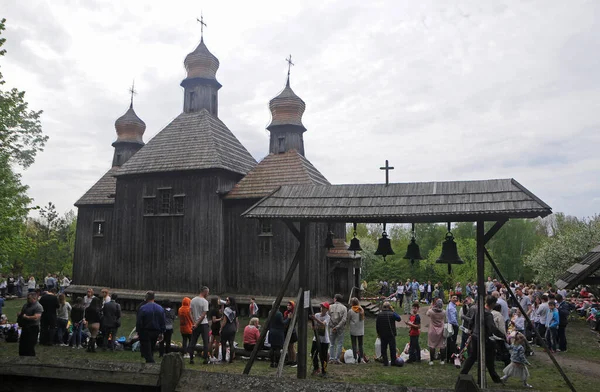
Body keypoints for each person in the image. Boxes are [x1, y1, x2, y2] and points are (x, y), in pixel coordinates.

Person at [460, 295, 505, 384]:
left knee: (472, 356)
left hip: (475, 336)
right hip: (484, 338)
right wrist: (503, 336)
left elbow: (471, 321)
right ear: (492, 304)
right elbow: (492, 328)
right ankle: (495, 378)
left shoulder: (478, 311)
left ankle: (463, 373)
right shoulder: (488, 314)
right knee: (489, 359)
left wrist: (470, 330)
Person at [136, 291, 166, 363]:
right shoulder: (160, 308)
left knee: (146, 350)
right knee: (151, 348)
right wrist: (162, 332)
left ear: (146, 298)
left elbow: (139, 321)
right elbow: (162, 321)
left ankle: (151, 363)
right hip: (156, 331)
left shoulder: (143, 308)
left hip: (145, 331)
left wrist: (138, 331)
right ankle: (149, 364)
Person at [189, 286, 210, 365]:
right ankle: (205, 358)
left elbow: (190, 312)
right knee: (205, 342)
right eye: (207, 292)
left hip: (195, 324)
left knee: (193, 341)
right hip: (203, 324)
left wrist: (194, 322)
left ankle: (191, 357)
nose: (208, 294)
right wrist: (197, 323)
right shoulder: (205, 301)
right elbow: (203, 314)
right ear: (204, 292)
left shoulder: (193, 300)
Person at [310, 302, 330, 376]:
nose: (322, 309)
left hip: (324, 339)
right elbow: (314, 325)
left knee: (323, 356)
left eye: (324, 307)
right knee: (313, 353)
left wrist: (315, 319)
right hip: (316, 337)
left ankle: (324, 370)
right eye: (321, 307)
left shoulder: (327, 317)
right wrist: (313, 327)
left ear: (327, 309)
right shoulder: (317, 315)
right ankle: (316, 368)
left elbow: (323, 324)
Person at [426, 299, 446, 365]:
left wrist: (431, 306)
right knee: (442, 346)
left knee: (432, 345)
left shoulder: (431, 311)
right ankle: (442, 360)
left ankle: (431, 360)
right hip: (441, 330)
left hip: (432, 330)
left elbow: (427, 313)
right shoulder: (443, 312)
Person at [328, 293, 347, 364]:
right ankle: (337, 359)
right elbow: (344, 319)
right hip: (340, 328)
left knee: (332, 343)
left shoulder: (330, 307)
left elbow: (328, 317)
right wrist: (338, 327)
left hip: (332, 328)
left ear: (335, 299)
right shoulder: (344, 308)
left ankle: (331, 358)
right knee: (339, 343)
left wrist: (333, 326)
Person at [220, 296, 239, 363]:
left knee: (224, 344)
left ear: (231, 301)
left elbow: (224, 321)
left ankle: (223, 359)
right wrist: (236, 328)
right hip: (233, 327)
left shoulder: (227, 309)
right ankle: (231, 359)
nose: (226, 301)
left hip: (227, 328)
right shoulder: (235, 309)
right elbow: (236, 320)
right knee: (231, 344)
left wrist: (221, 328)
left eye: (227, 300)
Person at [347, 297, 365, 363]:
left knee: (354, 344)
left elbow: (348, 319)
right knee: (361, 344)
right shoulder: (361, 309)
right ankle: (362, 358)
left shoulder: (350, 311)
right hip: (360, 329)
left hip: (353, 329)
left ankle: (355, 358)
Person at [268, 302, 285, 368]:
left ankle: (272, 362)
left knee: (272, 347)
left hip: (272, 331)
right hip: (278, 332)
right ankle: (277, 363)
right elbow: (282, 323)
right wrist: (288, 319)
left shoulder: (270, 312)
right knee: (278, 348)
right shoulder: (279, 313)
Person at [283, 300, 298, 366]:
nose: (288, 306)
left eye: (290, 305)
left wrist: (289, 319)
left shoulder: (293, 313)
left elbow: (292, 323)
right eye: (288, 305)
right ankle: (290, 360)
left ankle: (294, 361)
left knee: (292, 347)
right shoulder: (286, 313)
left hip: (292, 332)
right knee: (288, 347)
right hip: (286, 331)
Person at [208, 296, 223, 362]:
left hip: (214, 326)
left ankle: (211, 355)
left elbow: (220, 312)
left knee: (212, 341)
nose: (219, 301)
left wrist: (222, 305)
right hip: (216, 326)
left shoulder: (214, 309)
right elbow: (214, 320)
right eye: (218, 300)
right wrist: (220, 319)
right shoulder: (214, 310)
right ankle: (214, 355)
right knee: (216, 341)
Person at [446, 295, 459, 362]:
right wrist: (457, 325)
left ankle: (448, 357)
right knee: (452, 342)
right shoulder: (451, 307)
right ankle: (451, 357)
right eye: (453, 298)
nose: (455, 299)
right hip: (452, 325)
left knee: (449, 341)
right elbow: (453, 319)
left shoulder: (451, 306)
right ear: (450, 299)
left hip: (449, 325)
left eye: (456, 298)